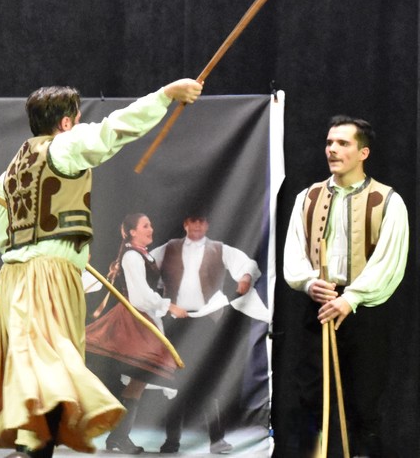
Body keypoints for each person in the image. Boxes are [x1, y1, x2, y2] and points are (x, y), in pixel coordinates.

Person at [0, 78, 203, 458]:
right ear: (65, 122)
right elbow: (114, 129)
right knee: (53, 374)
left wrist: (35, 245)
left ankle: (28, 449)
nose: (80, 123)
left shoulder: (14, 167)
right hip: (48, 277)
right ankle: (33, 452)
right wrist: (165, 96)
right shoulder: (64, 146)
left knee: (32, 374)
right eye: (77, 118)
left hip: (14, 278)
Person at [281, 115, 408, 457]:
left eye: (343, 143)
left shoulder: (387, 200)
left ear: (363, 152)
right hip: (319, 304)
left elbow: (388, 261)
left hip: (363, 311)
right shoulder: (308, 197)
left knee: (364, 402)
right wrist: (309, 283)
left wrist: (351, 298)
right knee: (309, 398)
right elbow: (294, 252)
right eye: (329, 143)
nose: (332, 149)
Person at [149, 213, 261, 454]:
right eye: (193, 221)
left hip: (207, 322)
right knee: (173, 381)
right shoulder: (168, 249)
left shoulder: (219, 249)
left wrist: (245, 277)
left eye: (201, 221)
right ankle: (171, 441)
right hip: (175, 322)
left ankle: (217, 440)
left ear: (207, 224)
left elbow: (248, 265)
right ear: (185, 224)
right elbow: (145, 264)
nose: (198, 225)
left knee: (209, 380)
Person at [85, 213, 178, 454]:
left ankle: (117, 437)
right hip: (134, 321)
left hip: (144, 319)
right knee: (137, 378)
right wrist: (168, 306)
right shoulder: (132, 256)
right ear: (132, 232)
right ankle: (117, 436)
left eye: (151, 224)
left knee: (138, 381)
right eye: (145, 225)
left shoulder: (143, 255)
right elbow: (140, 296)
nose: (151, 228)